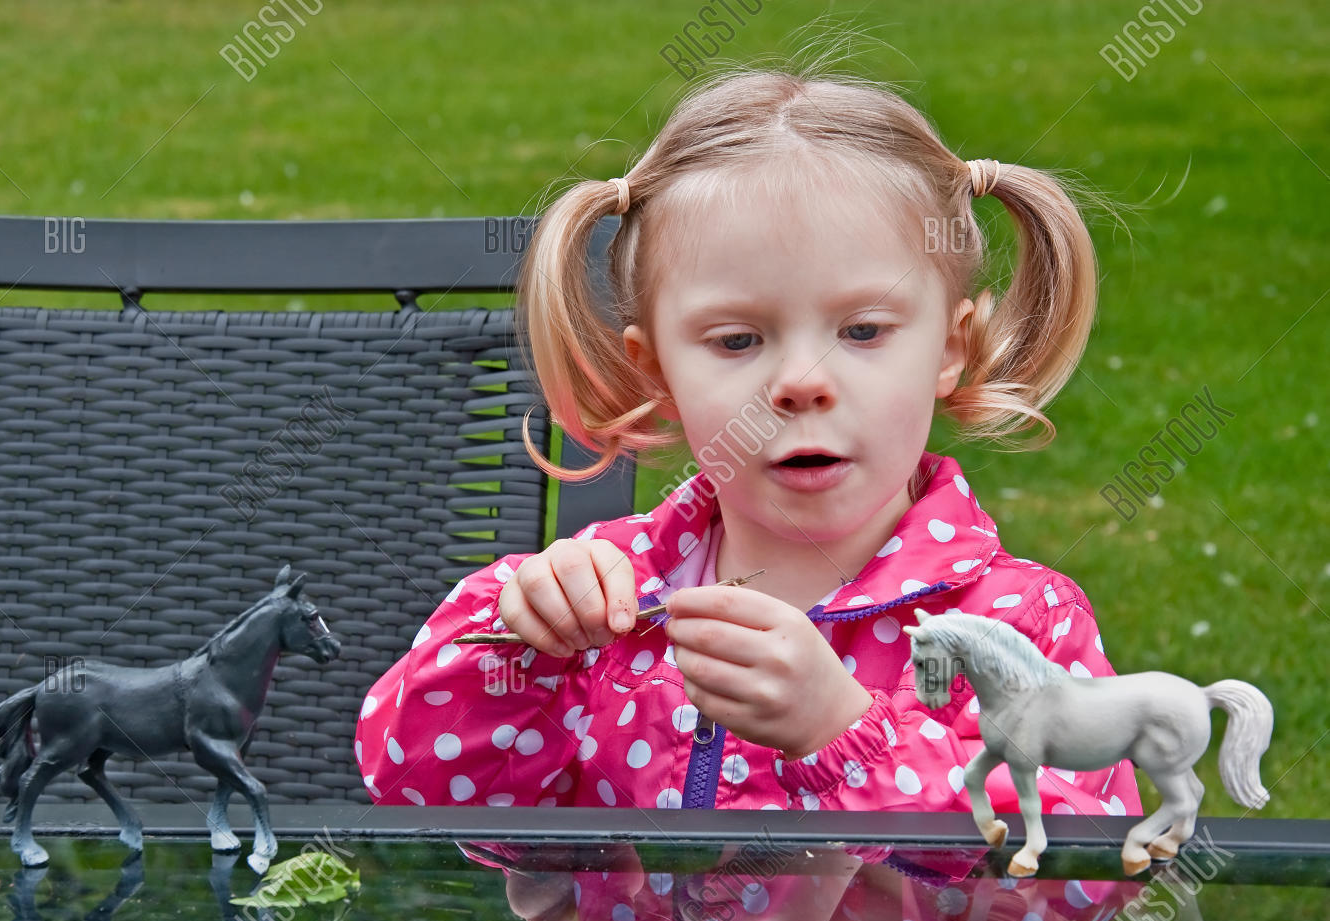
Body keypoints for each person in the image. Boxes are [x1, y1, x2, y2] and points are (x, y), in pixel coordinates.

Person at [355, 63, 1142, 821]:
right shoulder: (605, 607)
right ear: (657, 369)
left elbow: (1075, 881)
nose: (801, 380)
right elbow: (411, 790)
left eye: (863, 330)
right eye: (736, 341)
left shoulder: (1014, 623)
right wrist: (517, 650)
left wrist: (845, 738)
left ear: (949, 347)